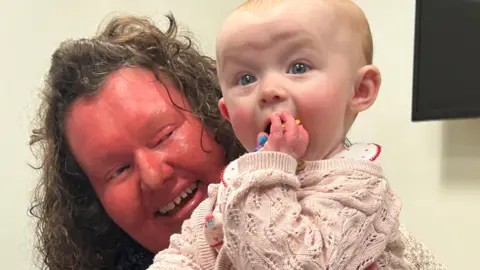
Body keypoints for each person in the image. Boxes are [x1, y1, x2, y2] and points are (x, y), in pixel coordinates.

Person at [29, 12, 445, 270]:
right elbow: (193, 251)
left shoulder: (353, 195)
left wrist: (268, 171)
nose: (153, 176)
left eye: (164, 135)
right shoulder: (227, 197)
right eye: (117, 170)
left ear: (210, 116)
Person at [148, 1, 447, 269]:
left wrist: (270, 169)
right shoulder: (236, 184)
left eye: (298, 67)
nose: (268, 91)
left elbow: (291, 262)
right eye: (246, 78)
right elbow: (188, 252)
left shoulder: (359, 191)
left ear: (360, 90)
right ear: (228, 114)